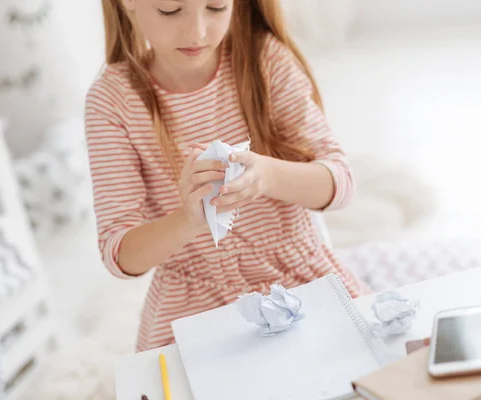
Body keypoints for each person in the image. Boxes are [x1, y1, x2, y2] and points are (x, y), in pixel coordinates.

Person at [85, 0, 369, 351]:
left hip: (298, 285)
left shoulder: (265, 61)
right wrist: (188, 220)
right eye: (170, 11)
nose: (197, 33)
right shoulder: (112, 101)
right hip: (192, 310)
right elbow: (120, 254)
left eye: (217, 7)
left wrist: (266, 175)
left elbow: (340, 183)